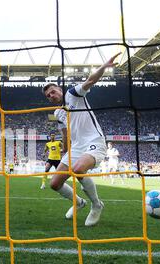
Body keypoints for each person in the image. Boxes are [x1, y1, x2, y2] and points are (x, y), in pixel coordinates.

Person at [42, 53, 120, 227]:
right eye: (48, 95)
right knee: (54, 184)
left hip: (94, 140)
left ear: (59, 90)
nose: (51, 95)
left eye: (53, 91)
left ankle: (96, 204)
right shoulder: (57, 113)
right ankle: (78, 202)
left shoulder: (72, 94)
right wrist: (65, 149)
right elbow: (65, 131)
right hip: (76, 147)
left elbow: (90, 81)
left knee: (78, 170)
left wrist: (104, 66)